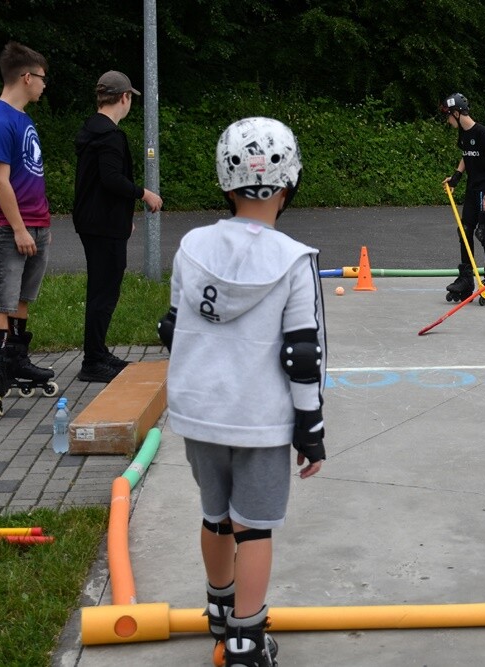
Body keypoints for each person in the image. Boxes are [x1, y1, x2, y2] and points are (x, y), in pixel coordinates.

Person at [158, 117, 326, 666]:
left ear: (225, 183)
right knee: (253, 528)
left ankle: (219, 608)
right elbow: (303, 355)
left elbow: (172, 327)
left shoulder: (191, 247)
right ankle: (246, 641)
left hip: (198, 411)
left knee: (215, 516)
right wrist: (311, 428)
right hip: (259, 419)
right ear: (289, 182)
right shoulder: (294, 259)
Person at [0, 41, 55, 408]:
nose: (44, 85)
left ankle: (16, 360)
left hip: (36, 223)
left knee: (21, 298)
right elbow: (0, 181)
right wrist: (19, 228)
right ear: (26, 77)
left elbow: (29, 174)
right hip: (9, 227)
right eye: (42, 78)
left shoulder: (24, 119)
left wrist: (39, 224)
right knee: (1, 298)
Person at [73, 70, 163, 383]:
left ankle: (98, 353)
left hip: (96, 220)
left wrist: (123, 216)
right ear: (124, 97)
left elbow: (98, 182)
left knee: (101, 289)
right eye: (129, 98)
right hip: (102, 225)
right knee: (104, 292)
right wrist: (144, 193)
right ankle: (93, 361)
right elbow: (111, 179)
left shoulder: (91, 129)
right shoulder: (110, 136)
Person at [439, 92, 485, 302]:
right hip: (472, 188)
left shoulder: (481, 131)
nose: (448, 120)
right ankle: (466, 280)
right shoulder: (463, 134)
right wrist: (456, 177)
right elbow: (466, 155)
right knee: (465, 230)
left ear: (457, 113)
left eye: (449, 116)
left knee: (483, 232)